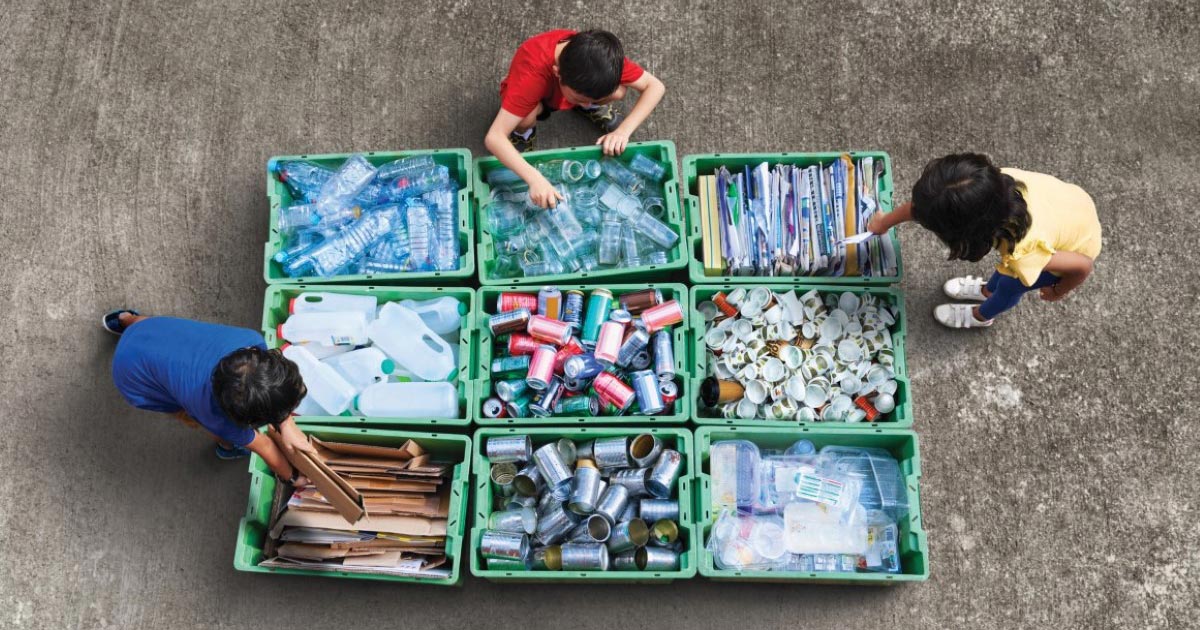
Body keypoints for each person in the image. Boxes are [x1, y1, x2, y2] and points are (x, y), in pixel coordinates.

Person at [868, 153, 1101, 329]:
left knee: (1010, 286)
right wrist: (884, 223)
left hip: (1072, 248)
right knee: (1005, 276)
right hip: (1068, 205)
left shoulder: (1024, 253)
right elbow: (922, 209)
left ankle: (981, 315)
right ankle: (986, 289)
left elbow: (1083, 265)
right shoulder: (989, 183)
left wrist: (1059, 291)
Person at [104, 310, 313, 485]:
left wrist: (287, 426)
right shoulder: (214, 415)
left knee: (145, 327)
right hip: (132, 378)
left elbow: (267, 386)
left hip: (151, 330)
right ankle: (227, 448)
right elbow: (265, 446)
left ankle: (125, 319)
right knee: (188, 414)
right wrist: (293, 477)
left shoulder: (251, 343)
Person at [484, 29, 666, 208]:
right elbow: (494, 137)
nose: (587, 101)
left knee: (619, 91)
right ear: (557, 73)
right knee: (524, 119)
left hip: (567, 88)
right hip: (535, 98)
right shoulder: (531, 76)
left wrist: (623, 132)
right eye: (581, 99)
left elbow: (655, 86)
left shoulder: (599, 60)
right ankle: (523, 134)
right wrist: (535, 178)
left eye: (593, 100)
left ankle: (586, 105)